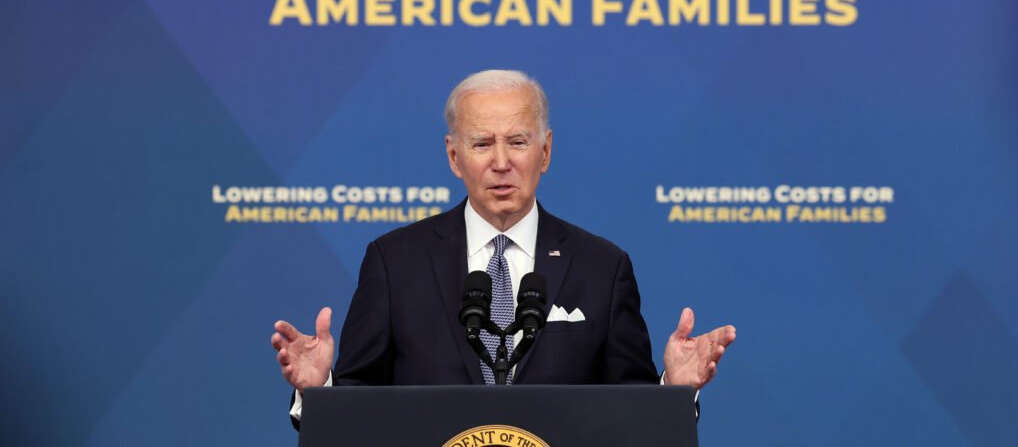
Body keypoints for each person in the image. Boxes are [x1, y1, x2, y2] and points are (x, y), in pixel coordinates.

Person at [271, 70, 736, 425]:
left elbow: (630, 415)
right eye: (481, 144)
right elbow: (359, 411)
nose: (501, 162)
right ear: (454, 156)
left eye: (517, 141)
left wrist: (674, 388)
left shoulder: (602, 267)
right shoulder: (395, 262)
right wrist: (320, 391)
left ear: (545, 152)